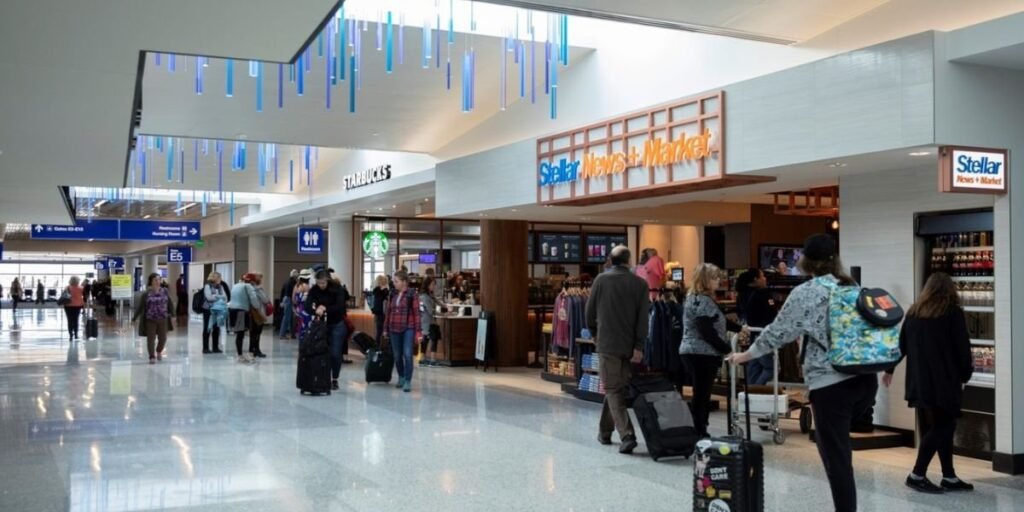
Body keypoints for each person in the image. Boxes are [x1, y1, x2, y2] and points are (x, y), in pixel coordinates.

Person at [727, 234, 876, 512]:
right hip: (865, 381)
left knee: (837, 459)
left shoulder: (805, 293)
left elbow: (778, 332)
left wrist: (745, 355)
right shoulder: (853, 287)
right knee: (841, 451)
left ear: (806, 262)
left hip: (831, 384)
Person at [883, 272, 974, 494]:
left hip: (919, 382)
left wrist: (890, 369)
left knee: (937, 427)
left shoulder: (914, 313)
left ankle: (949, 476)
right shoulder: (953, 314)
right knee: (945, 425)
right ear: (950, 290)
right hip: (944, 381)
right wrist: (965, 375)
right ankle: (917, 474)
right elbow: (962, 349)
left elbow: (900, 345)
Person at [586, 245, 649, 454]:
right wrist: (639, 345)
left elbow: (589, 311)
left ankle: (627, 435)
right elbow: (643, 319)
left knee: (612, 389)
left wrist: (594, 334)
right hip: (629, 345)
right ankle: (604, 433)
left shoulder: (601, 280)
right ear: (629, 261)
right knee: (616, 388)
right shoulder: (640, 284)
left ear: (610, 260)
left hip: (607, 344)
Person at [679, 263, 742, 439]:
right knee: (702, 394)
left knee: (701, 393)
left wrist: (740, 328)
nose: (719, 281)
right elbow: (706, 330)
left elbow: (718, 320)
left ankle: (699, 428)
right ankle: (699, 430)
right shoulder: (703, 301)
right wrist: (727, 349)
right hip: (701, 353)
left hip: (693, 351)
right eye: (715, 278)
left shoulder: (696, 298)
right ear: (706, 280)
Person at [305, 270, 349, 391]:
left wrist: (325, 308)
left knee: (335, 353)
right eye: (319, 283)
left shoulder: (337, 288)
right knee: (321, 351)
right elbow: (307, 305)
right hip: (322, 324)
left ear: (328, 280)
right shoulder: (314, 290)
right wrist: (315, 311)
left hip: (337, 323)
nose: (321, 285)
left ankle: (335, 378)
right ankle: (323, 376)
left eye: (323, 283)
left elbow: (340, 306)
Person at [735, 269, 778, 385]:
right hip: (763, 334)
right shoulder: (762, 294)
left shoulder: (741, 295)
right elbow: (772, 314)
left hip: (749, 334)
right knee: (770, 368)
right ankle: (756, 389)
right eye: (762, 276)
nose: (765, 279)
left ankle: (750, 396)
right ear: (756, 279)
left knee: (753, 367)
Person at [385, 271, 421, 393]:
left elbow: (417, 314)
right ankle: (401, 376)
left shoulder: (412, 294)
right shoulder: (392, 294)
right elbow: (388, 313)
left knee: (407, 354)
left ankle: (407, 380)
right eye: (393, 281)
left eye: (396, 281)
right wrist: (385, 329)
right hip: (393, 327)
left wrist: (418, 331)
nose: (394, 283)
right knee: (397, 355)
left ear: (404, 282)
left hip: (408, 328)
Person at [132, 273, 174, 364]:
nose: (158, 281)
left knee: (163, 338)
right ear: (151, 281)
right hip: (150, 319)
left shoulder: (165, 291)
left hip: (163, 318)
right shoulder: (146, 293)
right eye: (155, 280)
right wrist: (134, 318)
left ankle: (159, 350)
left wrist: (173, 315)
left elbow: (170, 303)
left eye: (159, 279)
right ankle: (151, 356)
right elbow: (140, 307)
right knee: (151, 339)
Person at [227, 274, 258, 364]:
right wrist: (257, 307)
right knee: (244, 333)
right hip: (242, 311)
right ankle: (242, 355)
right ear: (251, 281)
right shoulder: (248, 286)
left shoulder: (235, 285)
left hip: (232, 310)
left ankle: (239, 354)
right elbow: (254, 299)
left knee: (239, 334)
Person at [202, 272, 230, 354]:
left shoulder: (221, 286)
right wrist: (219, 297)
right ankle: (205, 348)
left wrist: (216, 297)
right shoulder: (207, 286)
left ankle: (215, 347)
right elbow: (209, 297)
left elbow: (225, 297)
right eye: (219, 277)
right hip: (208, 310)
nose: (220, 279)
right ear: (214, 278)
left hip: (218, 309)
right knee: (207, 328)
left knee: (216, 328)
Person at [418, 277, 442, 367]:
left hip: (425, 321)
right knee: (433, 339)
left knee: (425, 340)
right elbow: (431, 311)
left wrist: (445, 306)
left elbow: (437, 301)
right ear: (427, 285)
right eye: (432, 284)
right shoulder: (425, 297)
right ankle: (432, 360)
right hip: (428, 321)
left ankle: (423, 359)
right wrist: (444, 313)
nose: (434, 286)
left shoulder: (427, 295)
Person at [248, 273, 271, 358]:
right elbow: (265, 300)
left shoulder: (248, 288)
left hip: (251, 313)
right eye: (260, 278)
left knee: (252, 333)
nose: (261, 280)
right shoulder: (258, 289)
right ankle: (256, 350)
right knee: (257, 333)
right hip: (259, 313)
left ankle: (252, 349)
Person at [62, 276, 86, 341]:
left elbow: (64, 295)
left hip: (68, 305)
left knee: (69, 320)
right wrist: (83, 306)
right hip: (77, 305)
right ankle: (76, 334)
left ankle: (70, 335)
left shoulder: (67, 288)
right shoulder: (81, 288)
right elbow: (83, 298)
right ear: (78, 281)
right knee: (76, 320)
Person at [278, 269, 299, 340]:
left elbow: (282, 292)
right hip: (289, 300)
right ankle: (282, 334)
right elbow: (293, 293)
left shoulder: (286, 282)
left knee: (288, 318)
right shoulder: (294, 283)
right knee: (287, 318)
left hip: (285, 299)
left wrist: (281, 301)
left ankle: (291, 334)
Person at [293, 270, 313, 340]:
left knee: (300, 325)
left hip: (299, 308)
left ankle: (301, 342)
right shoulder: (306, 286)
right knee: (306, 326)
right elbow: (310, 299)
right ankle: (305, 342)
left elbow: (294, 300)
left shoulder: (296, 286)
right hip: (305, 309)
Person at [371, 275, 389, 345]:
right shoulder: (383, 291)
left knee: (379, 332)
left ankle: (377, 347)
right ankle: (380, 347)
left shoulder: (376, 291)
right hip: (382, 313)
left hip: (377, 313)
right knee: (381, 332)